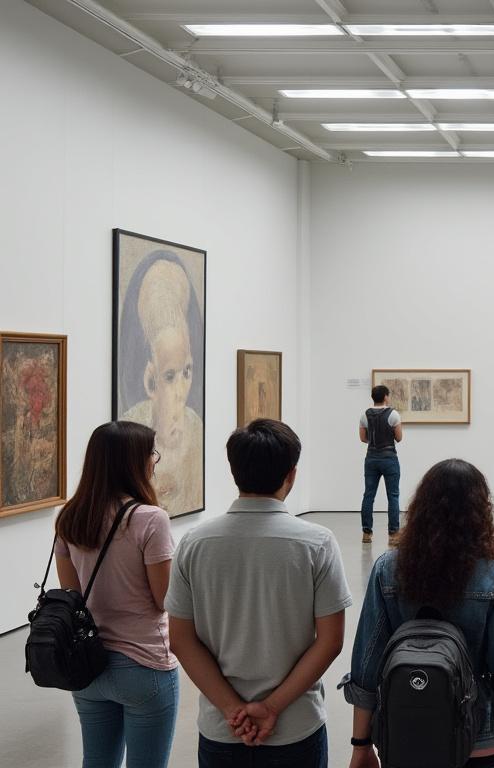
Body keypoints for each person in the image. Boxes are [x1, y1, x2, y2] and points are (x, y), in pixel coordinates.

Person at [167, 419, 351, 767]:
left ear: (234, 471)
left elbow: (181, 640)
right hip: (295, 727)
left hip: (223, 729)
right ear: (291, 475)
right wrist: (270, 707)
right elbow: (330, 641)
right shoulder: (317, 544)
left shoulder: (194, 544)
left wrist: (231, 709)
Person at [345, 459, 494, 768]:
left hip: (404, 733)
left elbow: (367, 663)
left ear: (420, 507)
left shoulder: (387, 569)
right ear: (481, 511)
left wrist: (360, 744)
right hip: (477, 738)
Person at [53, 421, 179, 768]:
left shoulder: (69, 517)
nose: (155, 461)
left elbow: (72, 599)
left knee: (97, 761)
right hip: (144, 665)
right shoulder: (151, 519)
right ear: (133, 462)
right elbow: (163, 600)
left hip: (88, 665)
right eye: (151, 454)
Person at [118, 251, 205, 516]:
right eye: (170, 376)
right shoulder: (131, 429)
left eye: (187, 372)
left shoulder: (195, 429)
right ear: (150, 381)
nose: (181, 392)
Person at [359, 385, 403, 546]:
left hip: (371, 458)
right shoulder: (393, 414)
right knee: (393, 496)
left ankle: (366, 533)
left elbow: (363, 438)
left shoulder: (364, 414)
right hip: (389, 458)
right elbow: (399, 437)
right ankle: (393, 535)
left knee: (368, 495)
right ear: (385, 396)